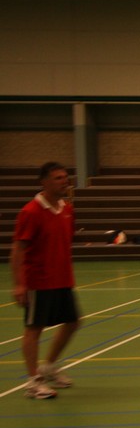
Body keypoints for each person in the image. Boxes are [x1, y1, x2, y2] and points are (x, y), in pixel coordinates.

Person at [12, 162, 80, 399]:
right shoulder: (31, 212)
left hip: (62, 279)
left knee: (72, 322)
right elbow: (18, 250)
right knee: (34, 329)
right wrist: (19, 283)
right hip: (38, 281)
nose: (64, 181)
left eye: (65, 177)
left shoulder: (67, 209)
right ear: (44, 182)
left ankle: (48, 366)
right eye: (58, 178)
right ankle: (33, 382)